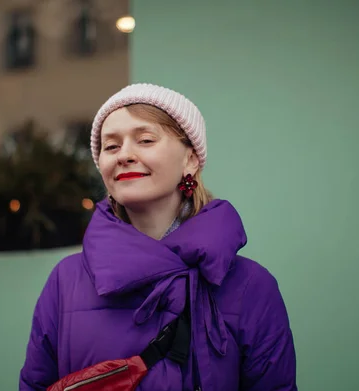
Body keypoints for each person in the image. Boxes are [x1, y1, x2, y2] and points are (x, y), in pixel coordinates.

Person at [19, 83, 297, 390]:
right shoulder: (65, 282)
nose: (124, 155)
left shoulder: (252, 287)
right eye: (110, 147)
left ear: (190, 159)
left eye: (145, 140)